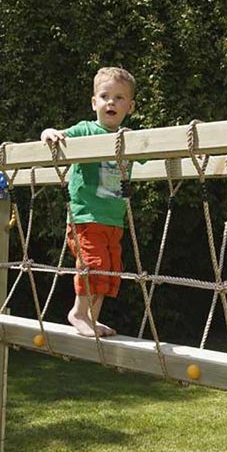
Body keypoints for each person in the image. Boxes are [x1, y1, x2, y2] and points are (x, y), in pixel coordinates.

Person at [40, 66, 136, 338]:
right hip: (86, 215)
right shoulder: (86, 130)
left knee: (109, 271)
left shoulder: (127, 138)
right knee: (93, 264)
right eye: (105, 96)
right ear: (94, 102)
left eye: (119, 98)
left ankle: (92, 317)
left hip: (113, 219)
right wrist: (49, 132)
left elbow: (155, 155)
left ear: (130, 106)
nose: (111, 102)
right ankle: (79, 313)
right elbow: (59, 135)